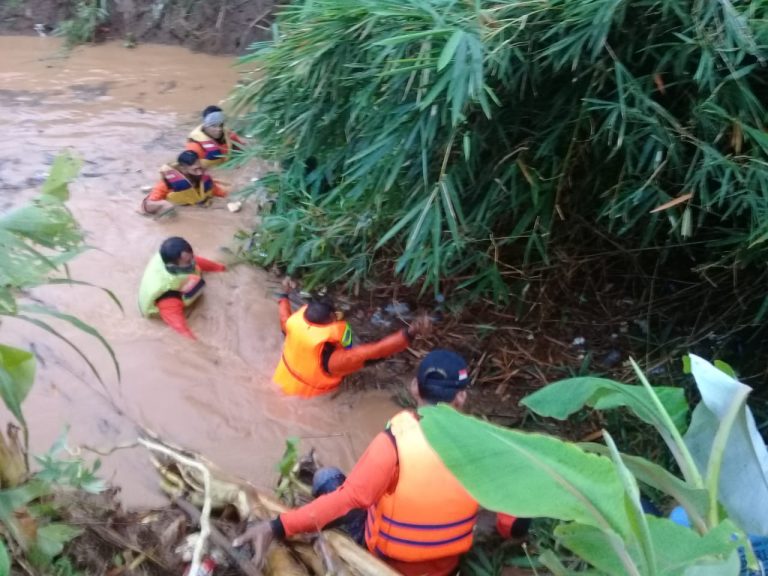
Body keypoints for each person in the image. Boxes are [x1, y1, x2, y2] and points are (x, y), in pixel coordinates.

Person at [235, 350, 506, 575]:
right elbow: (513, 522)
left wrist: (275, 526)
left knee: (327, 477)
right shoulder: (488, 446)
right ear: (461, 396)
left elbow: (348, 501)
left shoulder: (395, 443)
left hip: (386, 563)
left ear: (414, 387)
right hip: (447, 566)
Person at [272, 278, 432, 397]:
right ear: (331, 318)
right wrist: (411, 332)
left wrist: (284, 294)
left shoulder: (291, 327)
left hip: (278, 383)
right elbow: (375, 352)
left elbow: (284, 315)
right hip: (306, 400)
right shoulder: (332, 361)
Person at [138, 236, 226, 339]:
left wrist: (221, 268)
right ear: (173, 266)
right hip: (164, 308)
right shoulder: (168, 297)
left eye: (192, 257)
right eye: (188, 262)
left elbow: (195, 262)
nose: (193, 262)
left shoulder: (176, 259)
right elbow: (183, 332)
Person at [141, 151, 227, 215]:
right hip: (178, 208)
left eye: (200, 168)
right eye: (195, 169)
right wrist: (165, 205)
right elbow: (147, 205)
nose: (200, 172)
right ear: (183, 169)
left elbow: (218, 192)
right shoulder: (167, 183)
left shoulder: (204, 179)